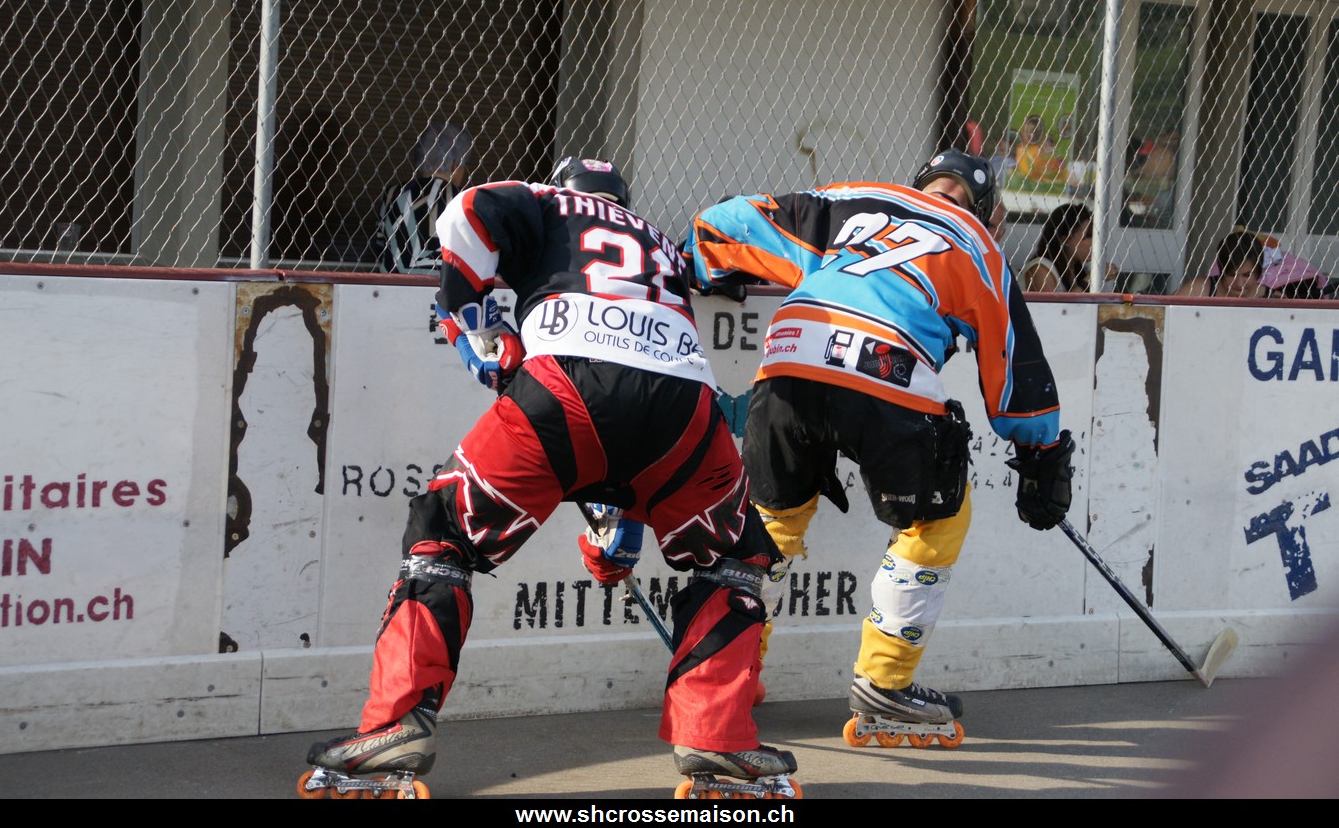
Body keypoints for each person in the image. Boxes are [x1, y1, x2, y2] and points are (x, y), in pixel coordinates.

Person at [303, 157, 800, 798]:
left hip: (564, 385)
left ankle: (396, 725)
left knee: (441, 533)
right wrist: (616, 530)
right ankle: (718, 739)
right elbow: (630, 430)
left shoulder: (547, 202)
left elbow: (469, 211)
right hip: (686, 407)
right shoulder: (658, 240)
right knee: (736, 557)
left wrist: (478, 324)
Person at [681, 148, 1075, 742]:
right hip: (887, 370)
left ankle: (734, 672)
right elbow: (1015, 373)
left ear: (919, 185)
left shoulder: (851, 199)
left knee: (768, 526)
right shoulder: (979, 244)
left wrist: (700, 263)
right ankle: (885, 684)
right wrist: (1041, 453)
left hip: (790, 362)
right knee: (938, 519)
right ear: (987, 211)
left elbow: (726, 224)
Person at [372, 121, 472, 274]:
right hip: (448, 284)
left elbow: (379, 244)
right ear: (455, 165)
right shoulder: (465, 200)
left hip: (395, 282)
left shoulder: (394, 194)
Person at [1020, 202, 1118, 293]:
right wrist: (1090, 279)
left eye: (1096, 236)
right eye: (1088, 236)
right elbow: (1054, 305)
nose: (1096, 242)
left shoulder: (1075, 270)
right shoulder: (1041, 269)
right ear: (1064, 239)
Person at [1175, 230, 1265, 298]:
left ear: (1257, 273)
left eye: (1247, 275)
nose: (1239, 284)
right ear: (1222, 271)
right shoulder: (1199, 290)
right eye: (1232, 275)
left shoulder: (1269, 297)